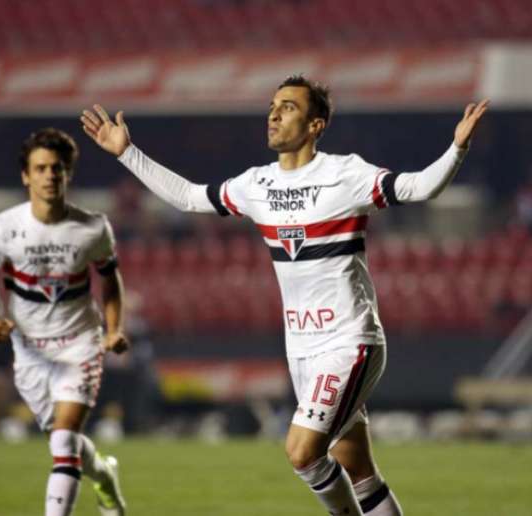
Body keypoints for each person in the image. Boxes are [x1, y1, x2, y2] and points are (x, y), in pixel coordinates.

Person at [81, 75, 489, 515]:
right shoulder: (258, 184)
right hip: (303, 350)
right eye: (273, 105)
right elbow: (188, 197)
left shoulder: (345, 174)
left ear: (316, 125)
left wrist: (457, 148)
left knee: (301, 452)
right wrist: (127, 152)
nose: (274, 113)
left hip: (349, 342)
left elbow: (419, 187)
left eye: (289, 107)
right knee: (360, 470)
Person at [0, 128, 129, 516]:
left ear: (68, 173)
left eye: (57, 168)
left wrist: (115, 327)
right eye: (41, 168)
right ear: (26, 176)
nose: (50, 175)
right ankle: (104, 476)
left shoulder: (93, 227)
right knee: (64, 442)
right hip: (30, 351)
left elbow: (111, 279)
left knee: (64, 442)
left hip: (80, 344)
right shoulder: (4, 227)